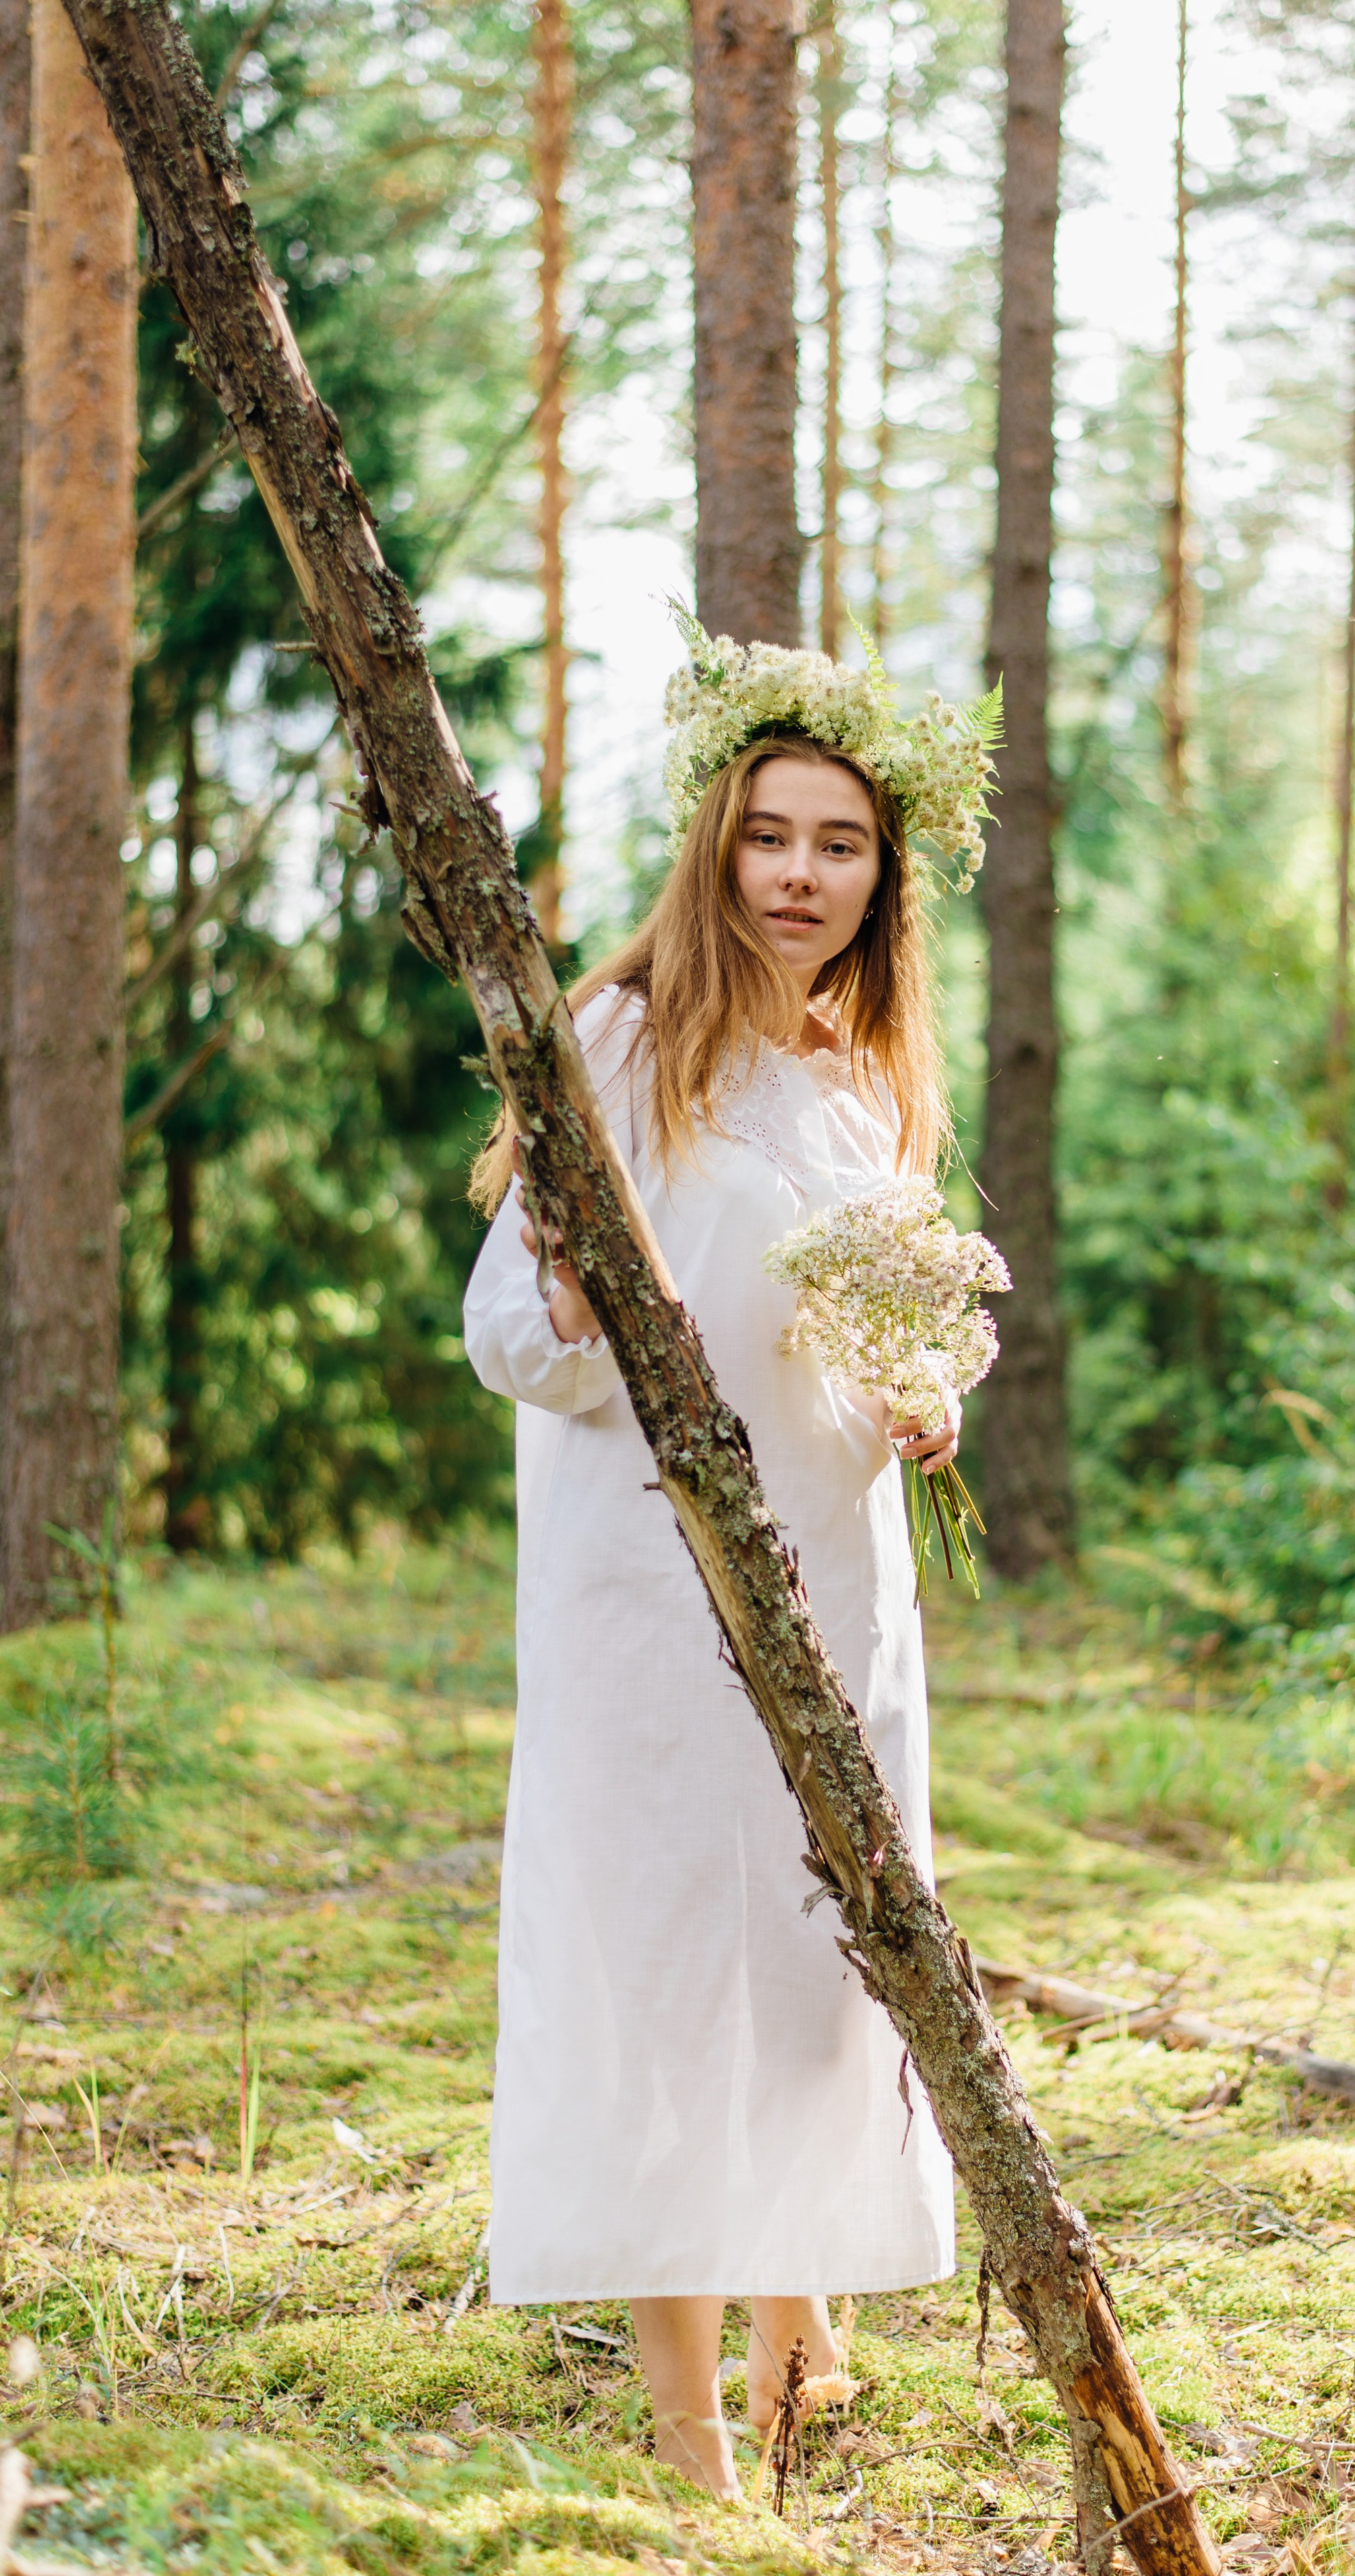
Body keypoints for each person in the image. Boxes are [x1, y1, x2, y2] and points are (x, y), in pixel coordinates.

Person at [462, 618, 998, 2499]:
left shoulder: (866, 1080)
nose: (800, 874)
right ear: (716, 845)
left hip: (840, 1582)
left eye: (839, 843)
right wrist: (594, 1306)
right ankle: (690, 2421)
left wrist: (933, 1389)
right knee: (671, 1952)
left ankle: (805, 2316)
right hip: (646, 1591)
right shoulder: (622, 1043)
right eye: (770, 835)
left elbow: (910, 1311)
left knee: (817, 1940)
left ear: (883, 874)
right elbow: (506, 1337)